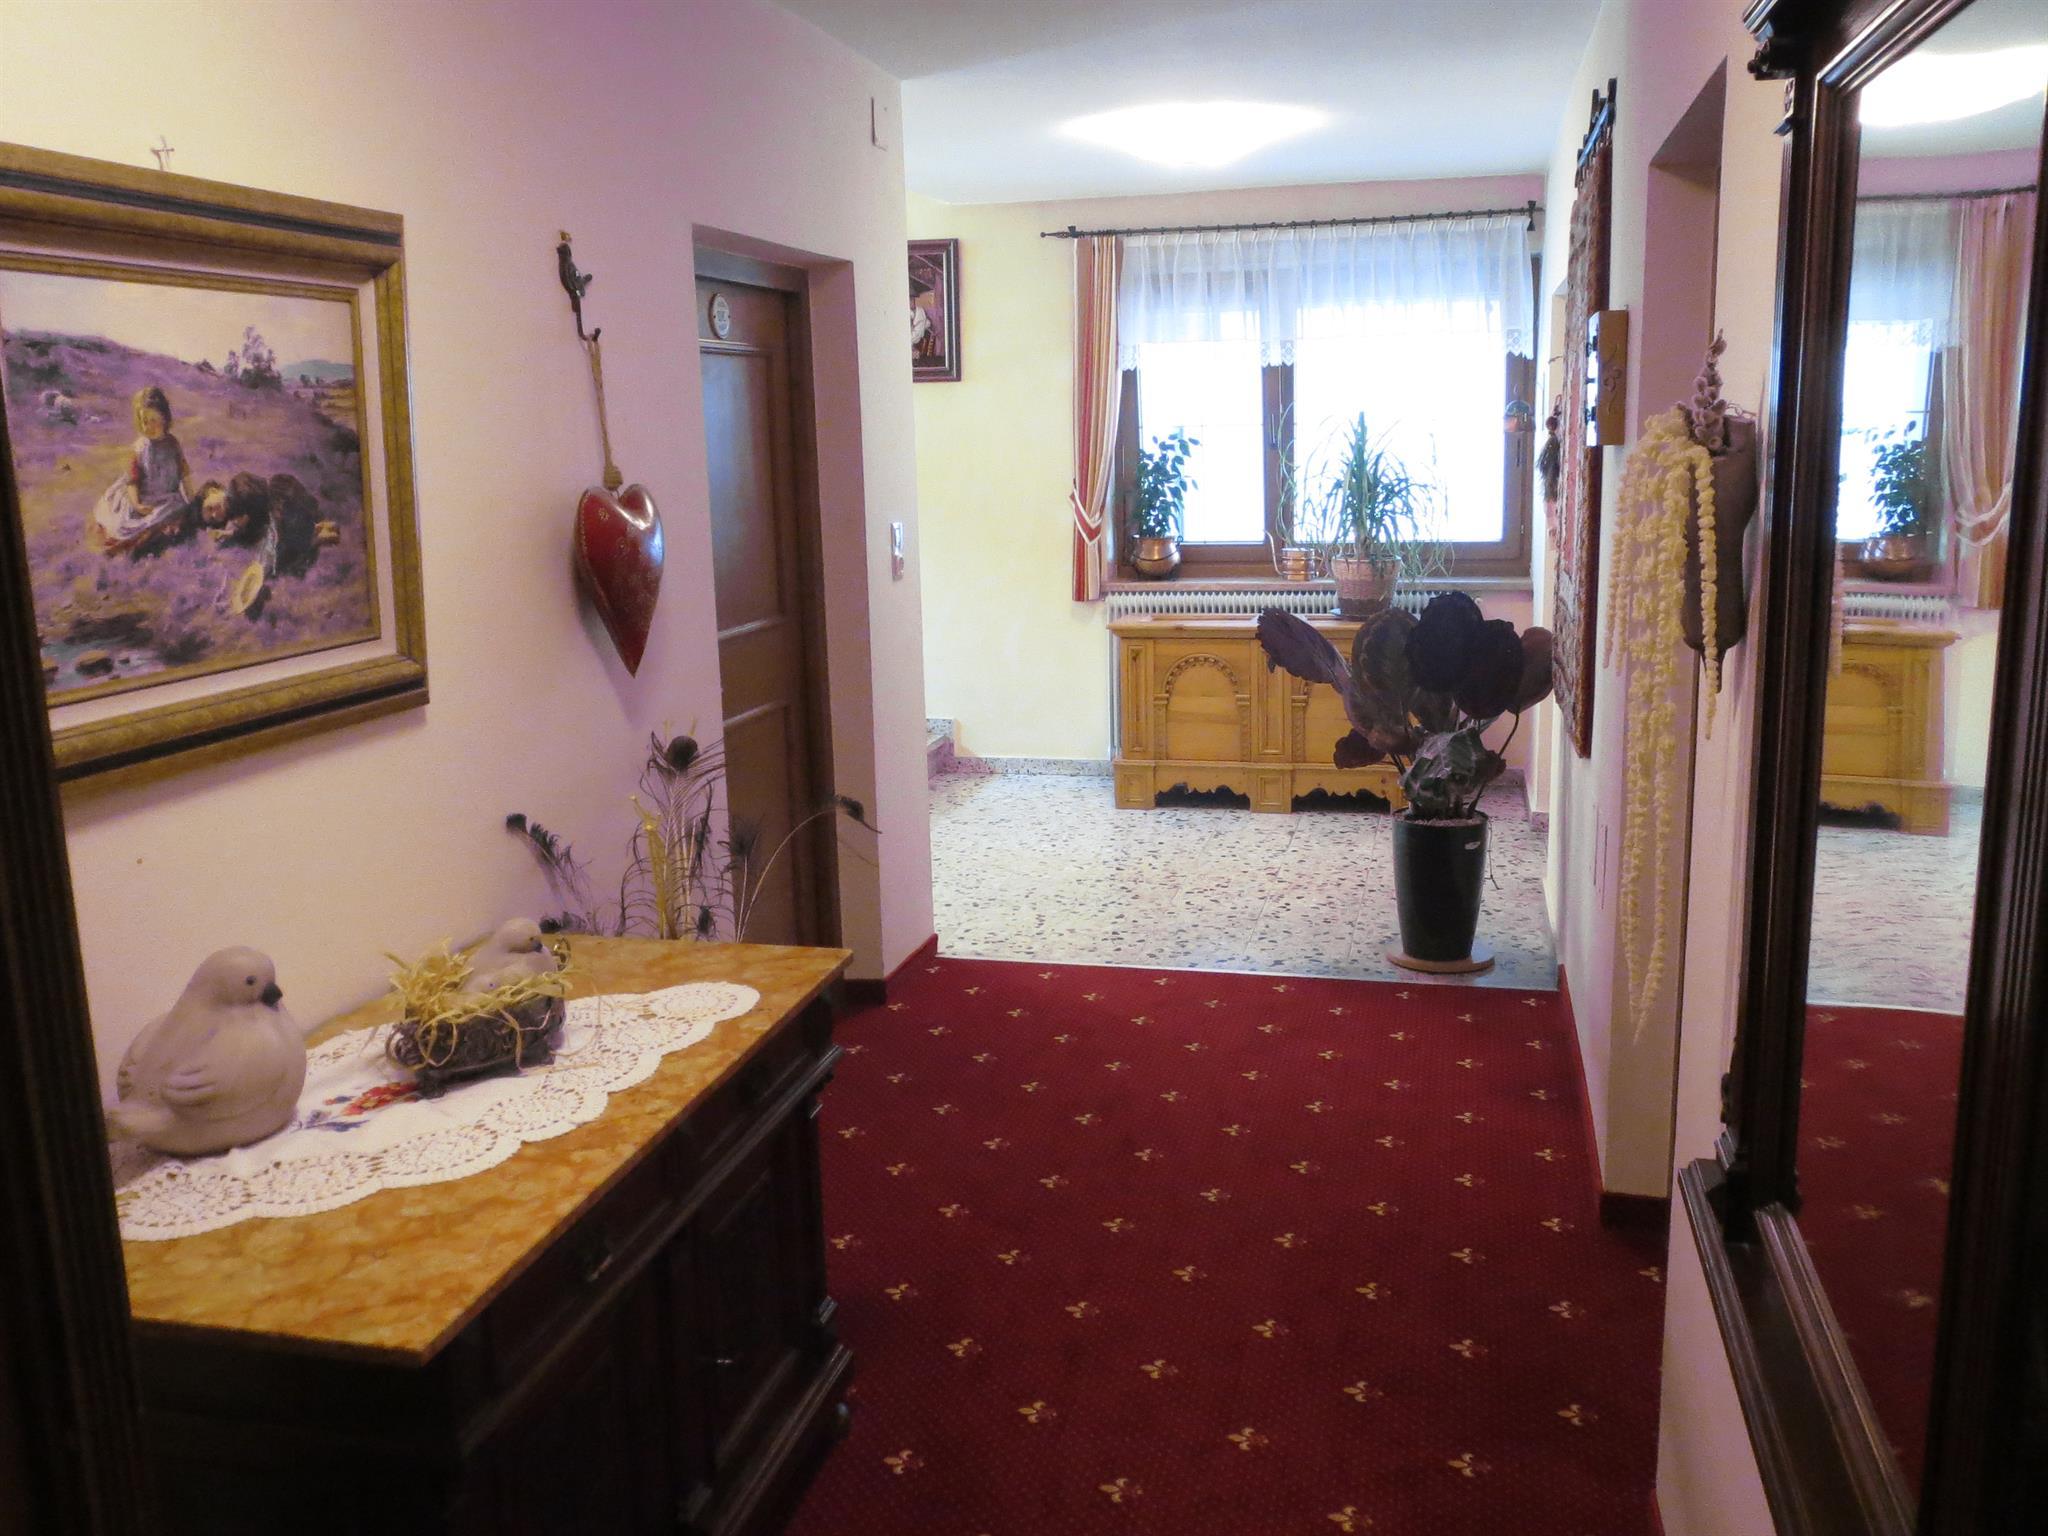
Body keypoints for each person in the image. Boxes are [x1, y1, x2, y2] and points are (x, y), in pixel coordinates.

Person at [88, 385, 197, 554]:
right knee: (123, 525)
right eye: (144, 421)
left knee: (177, 515)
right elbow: (132, 481)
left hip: (167, 499)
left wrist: (192, 501)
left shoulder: (173, 445)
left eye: (153, 420)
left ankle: (154, 538)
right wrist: (137, 504)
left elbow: (184, 475)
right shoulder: (140, 447)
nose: (148, 427)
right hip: (143, 497)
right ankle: (133, 545)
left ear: (165, 419)